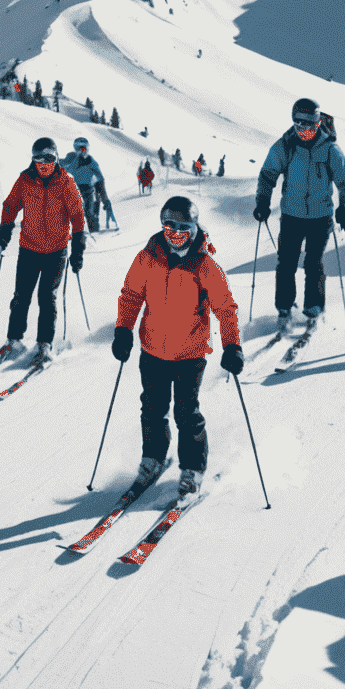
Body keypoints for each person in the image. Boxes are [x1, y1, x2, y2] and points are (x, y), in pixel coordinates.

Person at [112, 196, 242, 498]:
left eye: (183, 227)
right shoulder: (148, 257)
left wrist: (232, 345)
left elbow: (226, 308)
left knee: (186, 412)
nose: (175, 232)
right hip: (153, 348)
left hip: (190, 353)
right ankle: (154, 457)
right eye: (169, 225)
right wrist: (123, 330)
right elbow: (131, 295)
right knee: (153, 408)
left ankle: (192, 467)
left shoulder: (206, 265)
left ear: (193, 227)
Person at [254, 97, 345, 328]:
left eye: (311, 126)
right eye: (301, 126)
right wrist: (262, 201)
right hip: (291, 215)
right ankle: (284, 308)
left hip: (320, 217)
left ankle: (314, 307)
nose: (306, 131)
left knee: (313, 262)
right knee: (286, 262)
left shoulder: (330, 149)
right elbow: (268, 174)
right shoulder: (286, 145)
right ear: (294, 122)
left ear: (318, 124)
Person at [0, 137, 87, 363]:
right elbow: (10, 205)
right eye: (39, 159)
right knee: (21, 296)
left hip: (57, 251)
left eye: (49, 158)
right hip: (29, 248)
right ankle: (13, 340)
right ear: (33, 160)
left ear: (56, 159)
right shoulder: (25, 180)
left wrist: (78, 249)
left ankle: (44, 344)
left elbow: (77, 216)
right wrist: (5, 228)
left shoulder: (66, 183)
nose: (44, 163)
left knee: (47, 298)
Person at [63, 136, 109, 232]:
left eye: (83, 148)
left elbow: (100, 177)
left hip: (88, 189)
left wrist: (103, 195)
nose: (80, 151)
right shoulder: (72, 158)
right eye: (78, 148)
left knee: (89, 211)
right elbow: (64, 164)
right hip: (75, 188)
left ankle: (94, 230)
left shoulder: (90, 161)